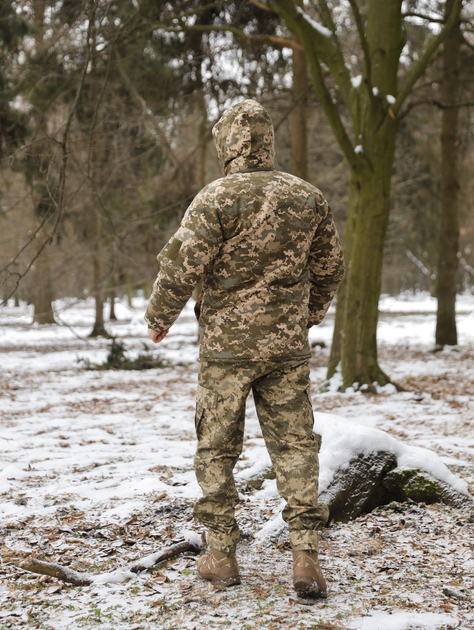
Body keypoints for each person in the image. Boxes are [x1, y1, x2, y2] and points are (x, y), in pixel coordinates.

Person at [145, 99, 344, 598]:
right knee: (295, 447)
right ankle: (305, 558)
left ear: (226, 146)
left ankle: (221, 555)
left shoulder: (215, 199)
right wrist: (307, 314)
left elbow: (180, 267)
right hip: (286, 350)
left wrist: (158, 318)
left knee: (216, 448)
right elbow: (330, 269)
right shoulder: (307, 198)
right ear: (268, 142)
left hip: (225, 352)